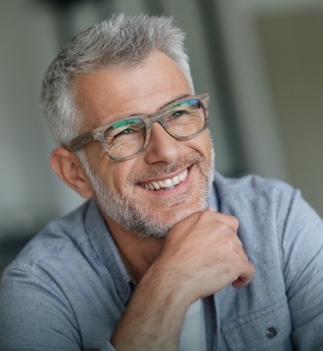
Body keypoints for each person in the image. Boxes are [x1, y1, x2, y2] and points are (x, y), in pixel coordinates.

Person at [0, 13, 323, 351]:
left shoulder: (276, 218)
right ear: (75, 173)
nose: (166, 152)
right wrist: (170, 284)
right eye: (124, 131)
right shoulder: (40, 287)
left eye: (179, 112)